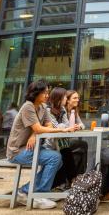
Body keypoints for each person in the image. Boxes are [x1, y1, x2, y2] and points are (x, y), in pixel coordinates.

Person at [7, 80, 71, 210]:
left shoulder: (42, 107)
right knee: (54, 158)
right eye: (44, 93)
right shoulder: (28, 106)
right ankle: (37, 193)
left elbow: (47, 125)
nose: (47, 95)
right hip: (17, 151)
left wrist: (34, 134)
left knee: (57, 159)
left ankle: (31, 191)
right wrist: (62, 130)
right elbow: (39, 127)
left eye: (47, 92)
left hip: (32, 148)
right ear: (36, 93)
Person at [44, 88, 88, 190]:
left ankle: (73, 179)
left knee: (74, 148)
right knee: (68, 150)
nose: (78, 100)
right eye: (75, 98)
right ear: (60, 98)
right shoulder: (48, 111)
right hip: (50, 144)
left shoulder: (64, 110)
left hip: (62, 141)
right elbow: (55, 127)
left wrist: (73, 126)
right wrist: (67, 127)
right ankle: (71, 180)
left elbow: (69, 126)